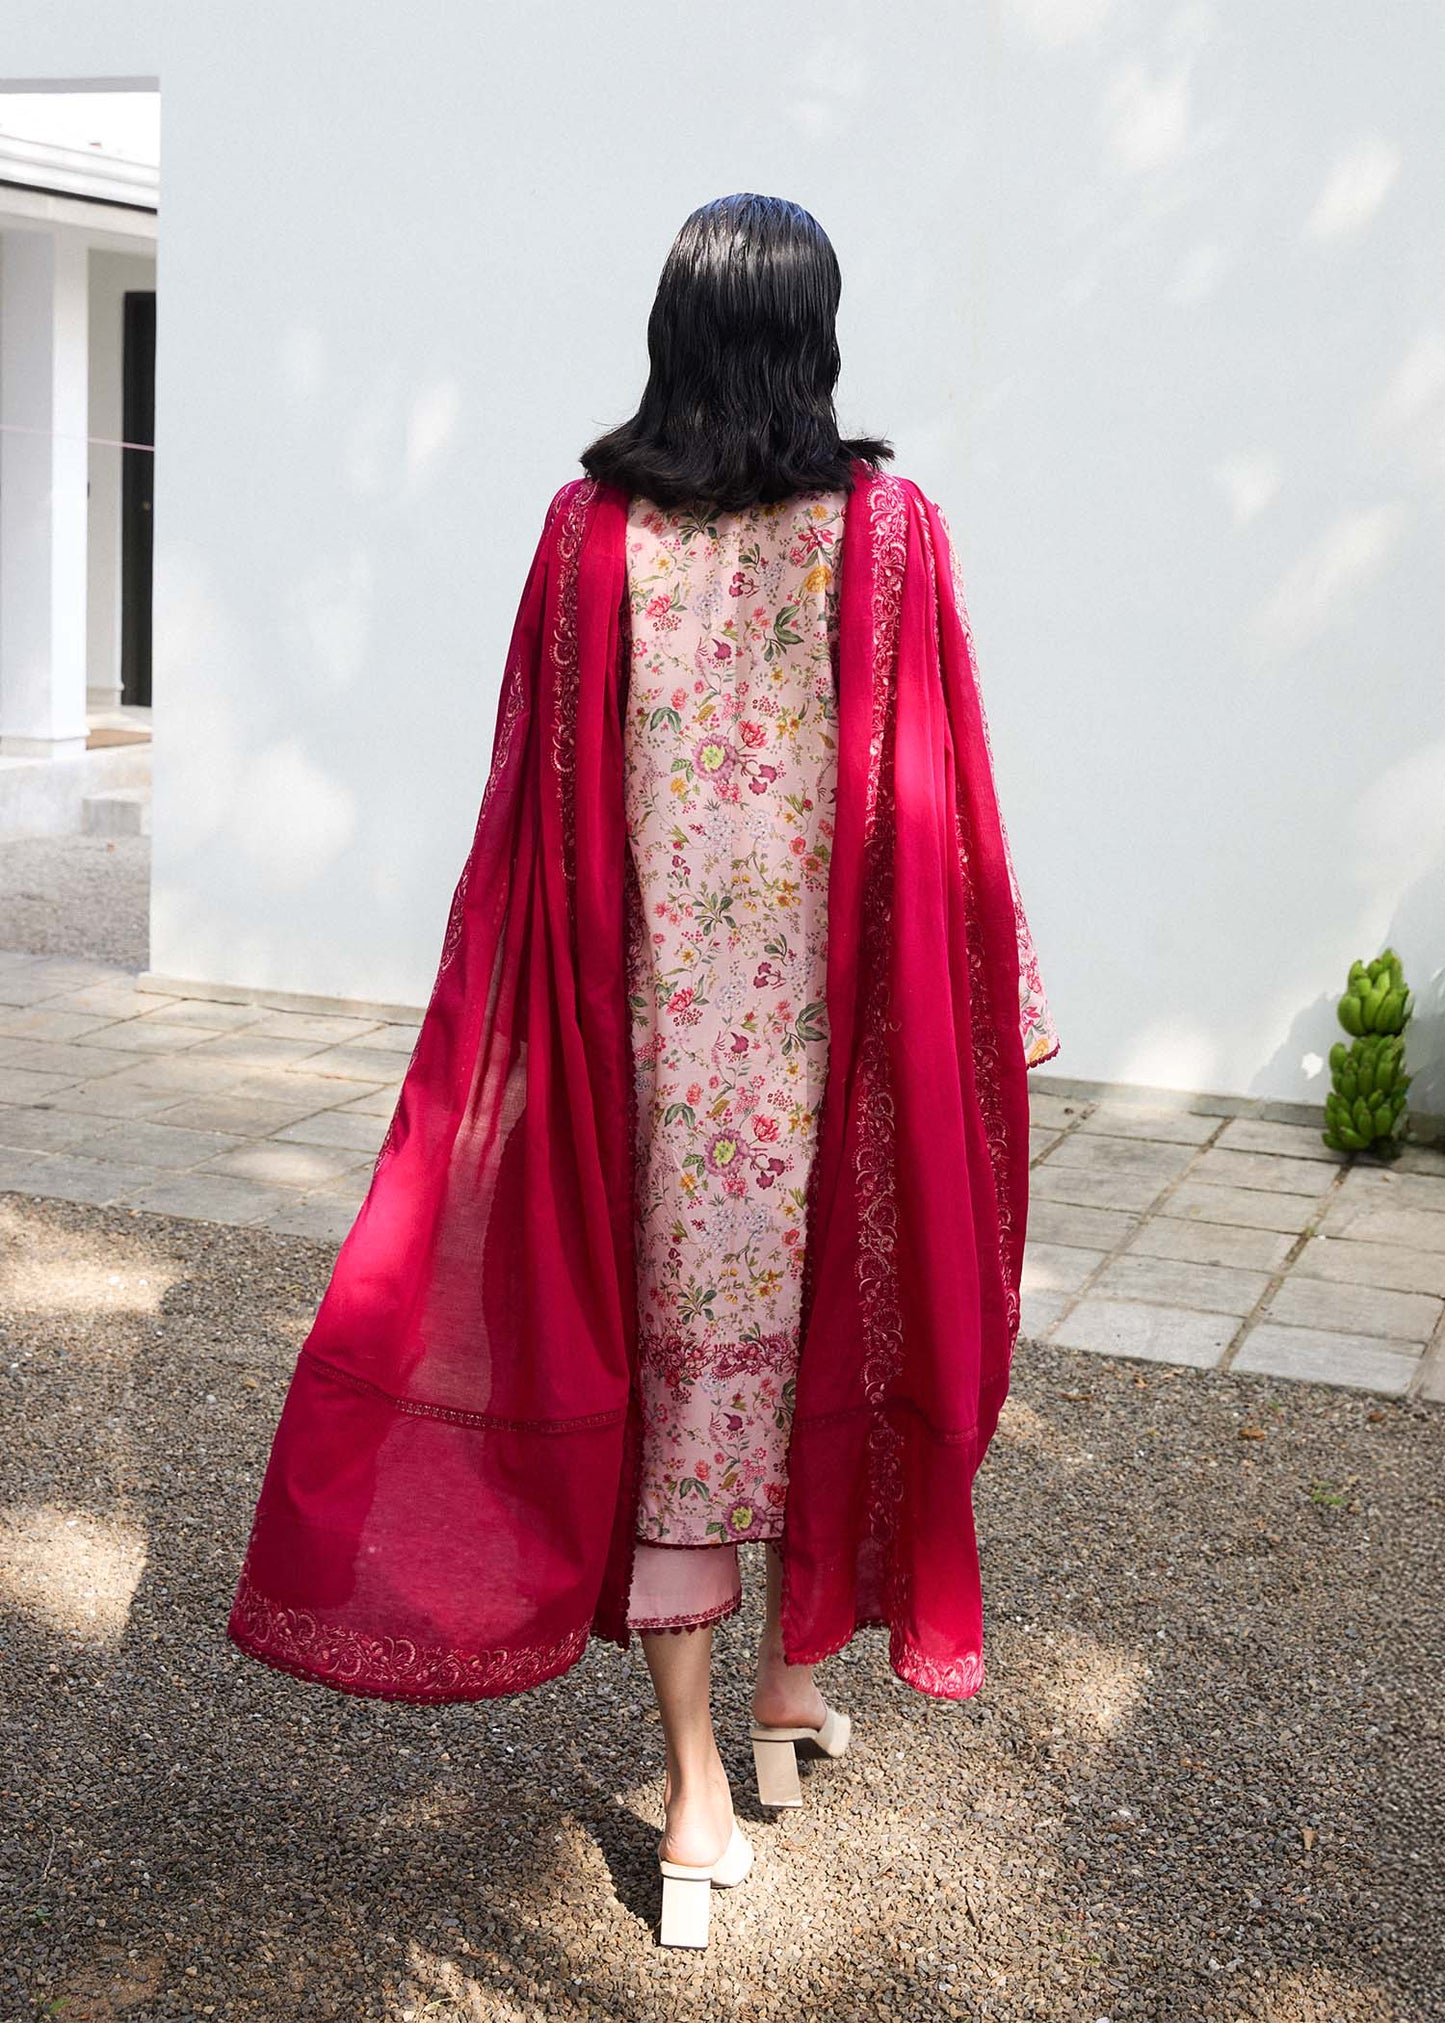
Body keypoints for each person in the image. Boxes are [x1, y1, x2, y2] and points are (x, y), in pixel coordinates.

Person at [227, 192, 1058, 1951]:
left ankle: (709, 1774)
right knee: (824, 1348)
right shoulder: (890, 532)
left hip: (650, 1075)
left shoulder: (586, 530)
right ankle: (742, 1741)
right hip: (835, 1070)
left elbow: (533, 805)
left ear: (671, 327)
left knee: (689, 1408)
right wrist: (1002, 988)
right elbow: (943, 797)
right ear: (811, 335)